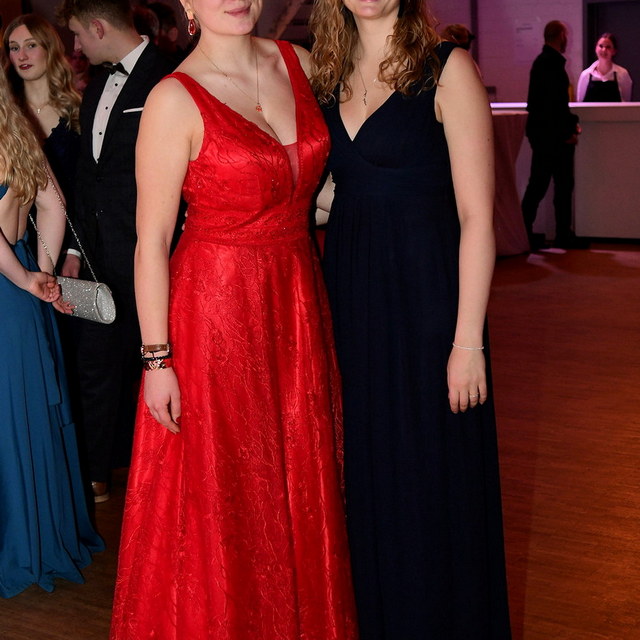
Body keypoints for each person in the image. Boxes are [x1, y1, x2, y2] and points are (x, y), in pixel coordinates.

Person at [109, 0, 357, 638]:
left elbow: (320, 182)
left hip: (297, 303)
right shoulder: (173, 98)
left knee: (296, 478)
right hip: (215, 316)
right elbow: (150, 242)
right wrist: (157, 360)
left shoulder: (300, 64)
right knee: (230, 492)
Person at [310, 1, 511, 638]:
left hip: (429, 304)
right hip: (351, 300)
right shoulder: (326, 76)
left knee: (430, 477)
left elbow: (477, 218)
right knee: (368, 475)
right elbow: (334, 193)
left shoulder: (448, 68)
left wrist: (468, 342)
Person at [56, 0, 176, 503]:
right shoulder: (97, 85)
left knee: (161, 365)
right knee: (96, 366)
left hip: (158, 254)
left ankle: (164, 479)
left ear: (99, 27)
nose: (76, 46)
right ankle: (96, 474)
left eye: (78, 34)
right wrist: (73, 249)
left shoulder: (170, 75)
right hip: (98, 258)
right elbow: (88, 178)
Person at [0, 65, 104, 598]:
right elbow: (53, 204)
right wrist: (38, 274)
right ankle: (40, 536)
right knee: (23, 417)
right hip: (20, 294)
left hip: (8, 289)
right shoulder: (15, 129)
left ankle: (19, 543)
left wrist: (25, 279)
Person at [3, 13, 82, 213]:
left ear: (49, 48)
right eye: (14, 48)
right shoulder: (6, 115)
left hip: (76, 223)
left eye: (31, 45)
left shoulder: (78, 109)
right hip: (22, 226)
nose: (22, 56)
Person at [521, 20, 582, 250]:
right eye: (565, 35)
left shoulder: (542, 62)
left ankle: (525, 232)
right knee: (560, 186)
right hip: (554, 137)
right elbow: (555, 106)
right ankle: (561, 234)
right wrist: (568, 131)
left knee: (539, 184)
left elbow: (545, 105)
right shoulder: (553, 64)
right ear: (560, 36)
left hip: (543, 135)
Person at [577, 33, 632, 102]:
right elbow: (580, 103)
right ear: (596, 49)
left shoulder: (623, 74)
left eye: (608, 47)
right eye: (601, 46)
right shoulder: (585, 75)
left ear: (614, 51)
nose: (604, 50)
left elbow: (626, 102)